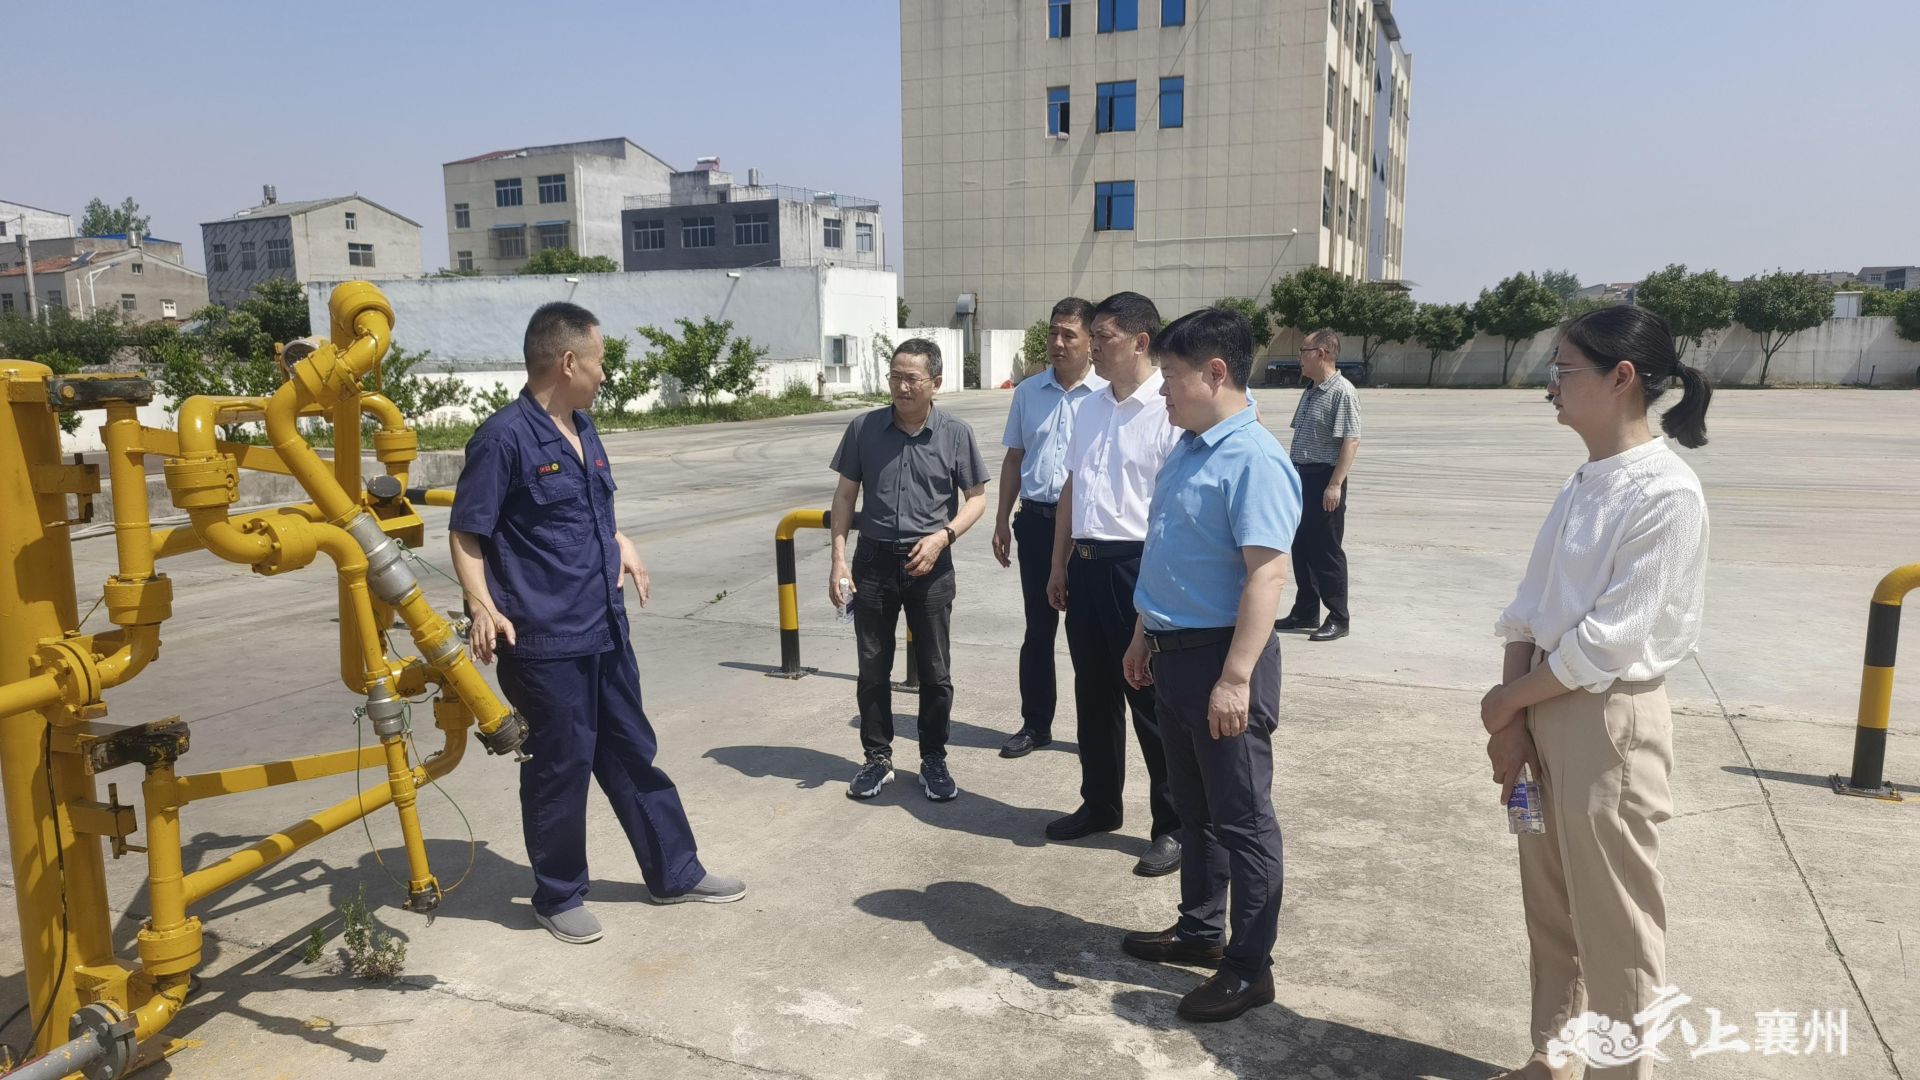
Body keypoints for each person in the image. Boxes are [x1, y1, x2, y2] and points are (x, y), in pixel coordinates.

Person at [449, 302, 745, 946]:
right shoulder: (503, 439)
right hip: (544, 636)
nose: (605, 374)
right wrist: (481, 606)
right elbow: (467, 533)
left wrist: (622, 544)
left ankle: (675, 871)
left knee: (630, 750)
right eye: (600, 361)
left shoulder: (583, 429)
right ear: (567, 361)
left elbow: (587, 516)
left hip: (605, 627)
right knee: (561, 764)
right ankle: (558, 893)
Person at [1478, 306, 1712, 1080]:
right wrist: (1511, 712)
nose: (1551, 386)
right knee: (1550, 905)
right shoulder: (1587, 479)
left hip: (1606, 721)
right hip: (1543, 699)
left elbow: (1608, 642)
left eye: (1563, 370)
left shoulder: (1666, 493)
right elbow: (1531, 602)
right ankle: (1557, 1056)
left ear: (1621, 379)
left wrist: (1512, 702)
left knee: (1617, 922)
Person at [1119, 307, 1301, 1023]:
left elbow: (1266, 576)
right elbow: (1167, 553)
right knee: (1194, 811)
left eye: (1170, 376)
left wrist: (1235, 678)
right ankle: (1201, 930)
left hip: (1222, 658)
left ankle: (1249, 967)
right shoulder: (1190, 447)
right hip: (1171, 653)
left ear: (1215, 372)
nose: (1162, 390)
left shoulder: (1253, 458)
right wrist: (1142, 634)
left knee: (1243, 819)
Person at [1043, 291, 1183, 877]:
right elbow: (1073, 488)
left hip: (1139, 566)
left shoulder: (1168, 410)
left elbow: (1173, 513)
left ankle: (1172, 826)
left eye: (1104, 339)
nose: (1093, 349)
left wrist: (1152, 597)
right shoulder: (1093, 407)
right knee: (1094, 695)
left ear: (1142, 341)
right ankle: (1100, 803)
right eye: (1091, 339)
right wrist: (1059, 563)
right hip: (1087, 562)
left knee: (1150, 700)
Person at [828, 339, 989, 801]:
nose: (901, 386)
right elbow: (844, 497)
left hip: (930, 563)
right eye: (895, 376)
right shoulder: (864, 428)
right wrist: (839, 558)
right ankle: (877, 759)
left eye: (911, 378)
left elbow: (976, 498)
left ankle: (933, 758)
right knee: (872, 667)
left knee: (936, 670)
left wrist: (943, 537)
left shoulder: (955, 434)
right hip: (874, 561)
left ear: (935, 383)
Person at [991, 297, 1104, 759]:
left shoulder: (1105, 397)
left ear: (1091, 342)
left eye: (1068, 334)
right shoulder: (1028, 392)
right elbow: (1015, 458)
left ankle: (1095, 733)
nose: (1057, 343)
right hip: (1035, 526)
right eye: (1052, 333)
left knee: (1087, 637)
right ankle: (1035, 723)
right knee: (1038, 630)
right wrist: (1002, 518)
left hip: (1086, 532)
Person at [1275, 328, 1360, 642]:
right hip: (1301, 478)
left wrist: (1335, 484)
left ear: (1321, 354)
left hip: (1324, 478)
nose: (1299, 358)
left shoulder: (1343, 392)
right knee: (1302, 546)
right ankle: (1306, 610)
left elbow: (1351, 440)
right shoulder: (1311, 389)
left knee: (1326, 550)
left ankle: (1339, 616)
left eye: (1303, 351)